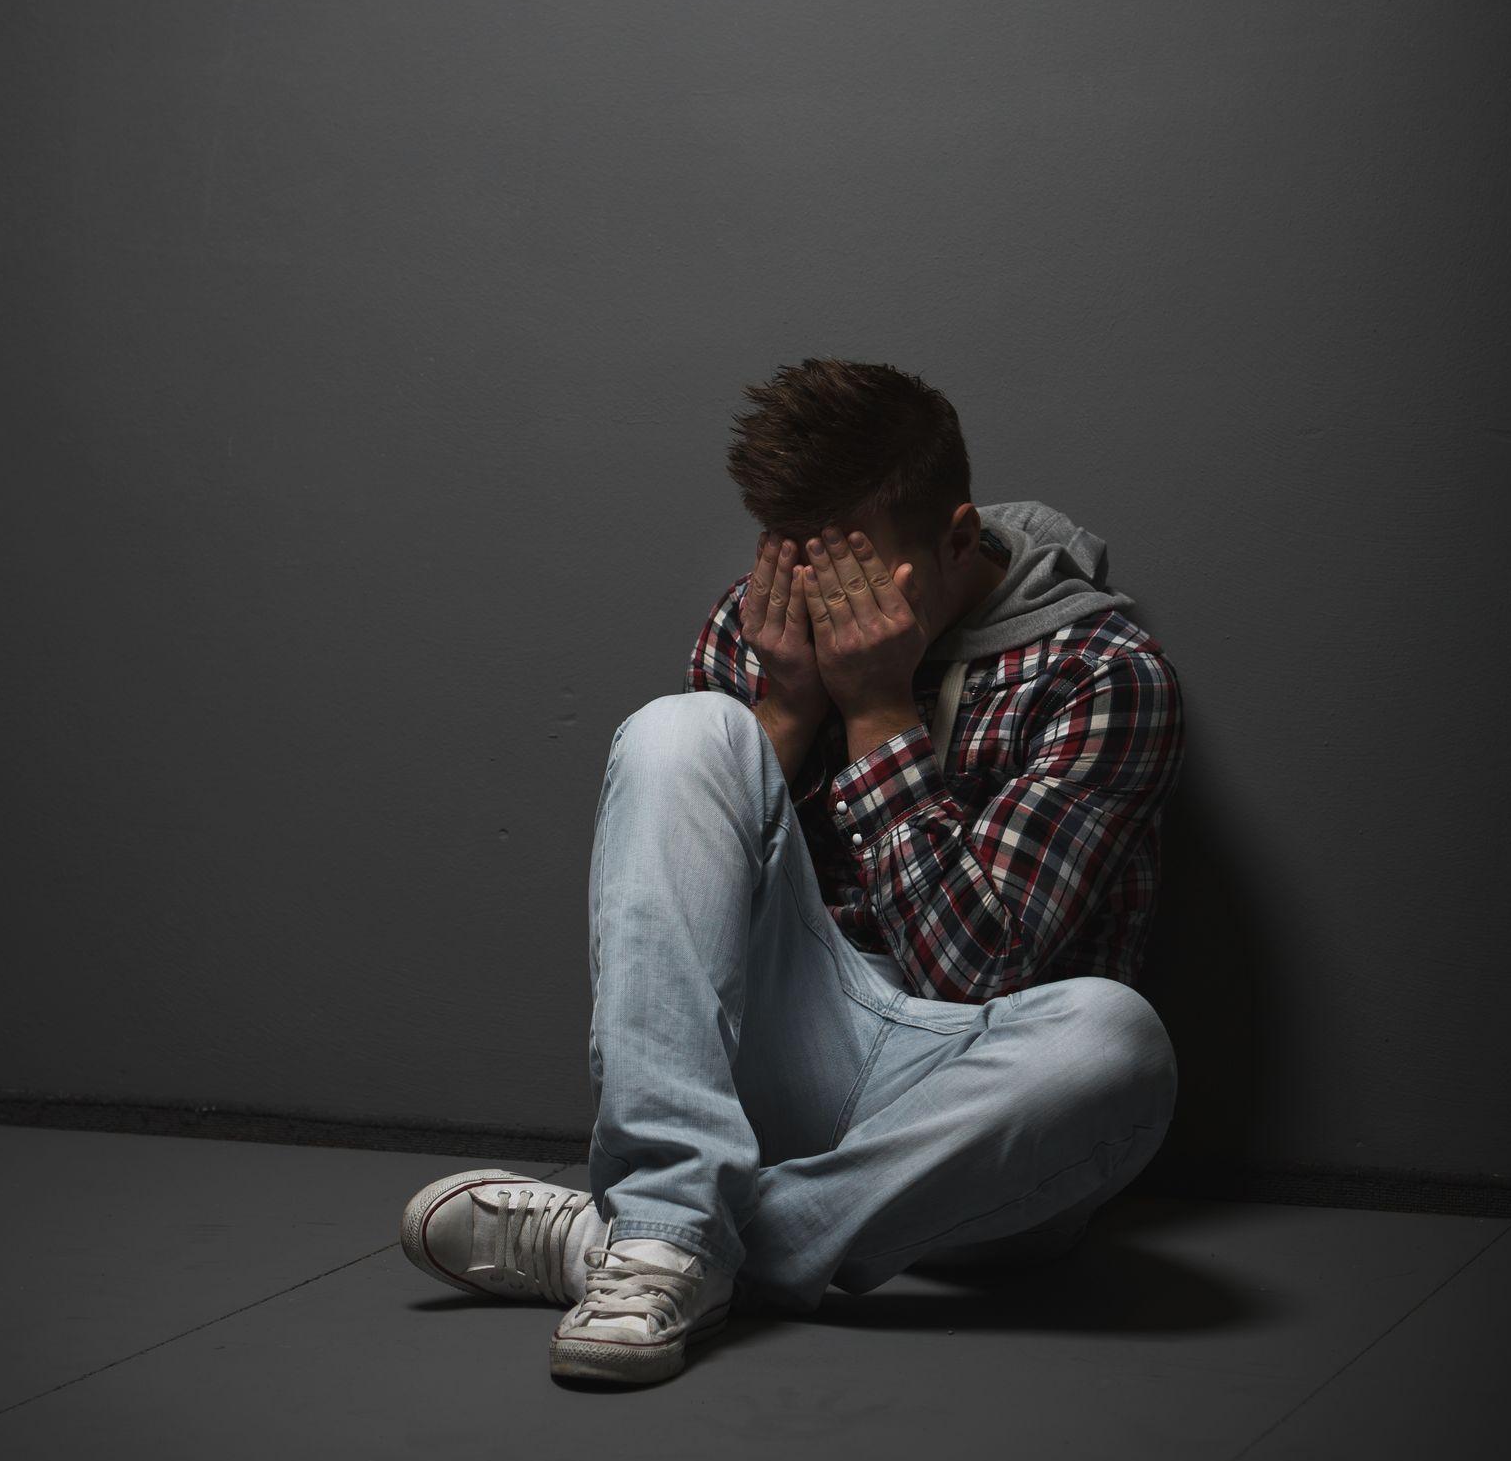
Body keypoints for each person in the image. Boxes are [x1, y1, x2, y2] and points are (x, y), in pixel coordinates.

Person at [401, 356, 1184, 1390]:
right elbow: (701, 919)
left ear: (957, 538)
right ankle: (671, 1223)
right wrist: (787, 708)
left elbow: (976, 973)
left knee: (1117, 1041)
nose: (824, 611)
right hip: (791, 1054)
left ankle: (638, 1247)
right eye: (799, 570)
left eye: (863, 581)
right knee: (684, 732)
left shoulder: (1102, 676)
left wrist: (878, 712)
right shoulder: (760, 622)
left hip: (968, 1139)